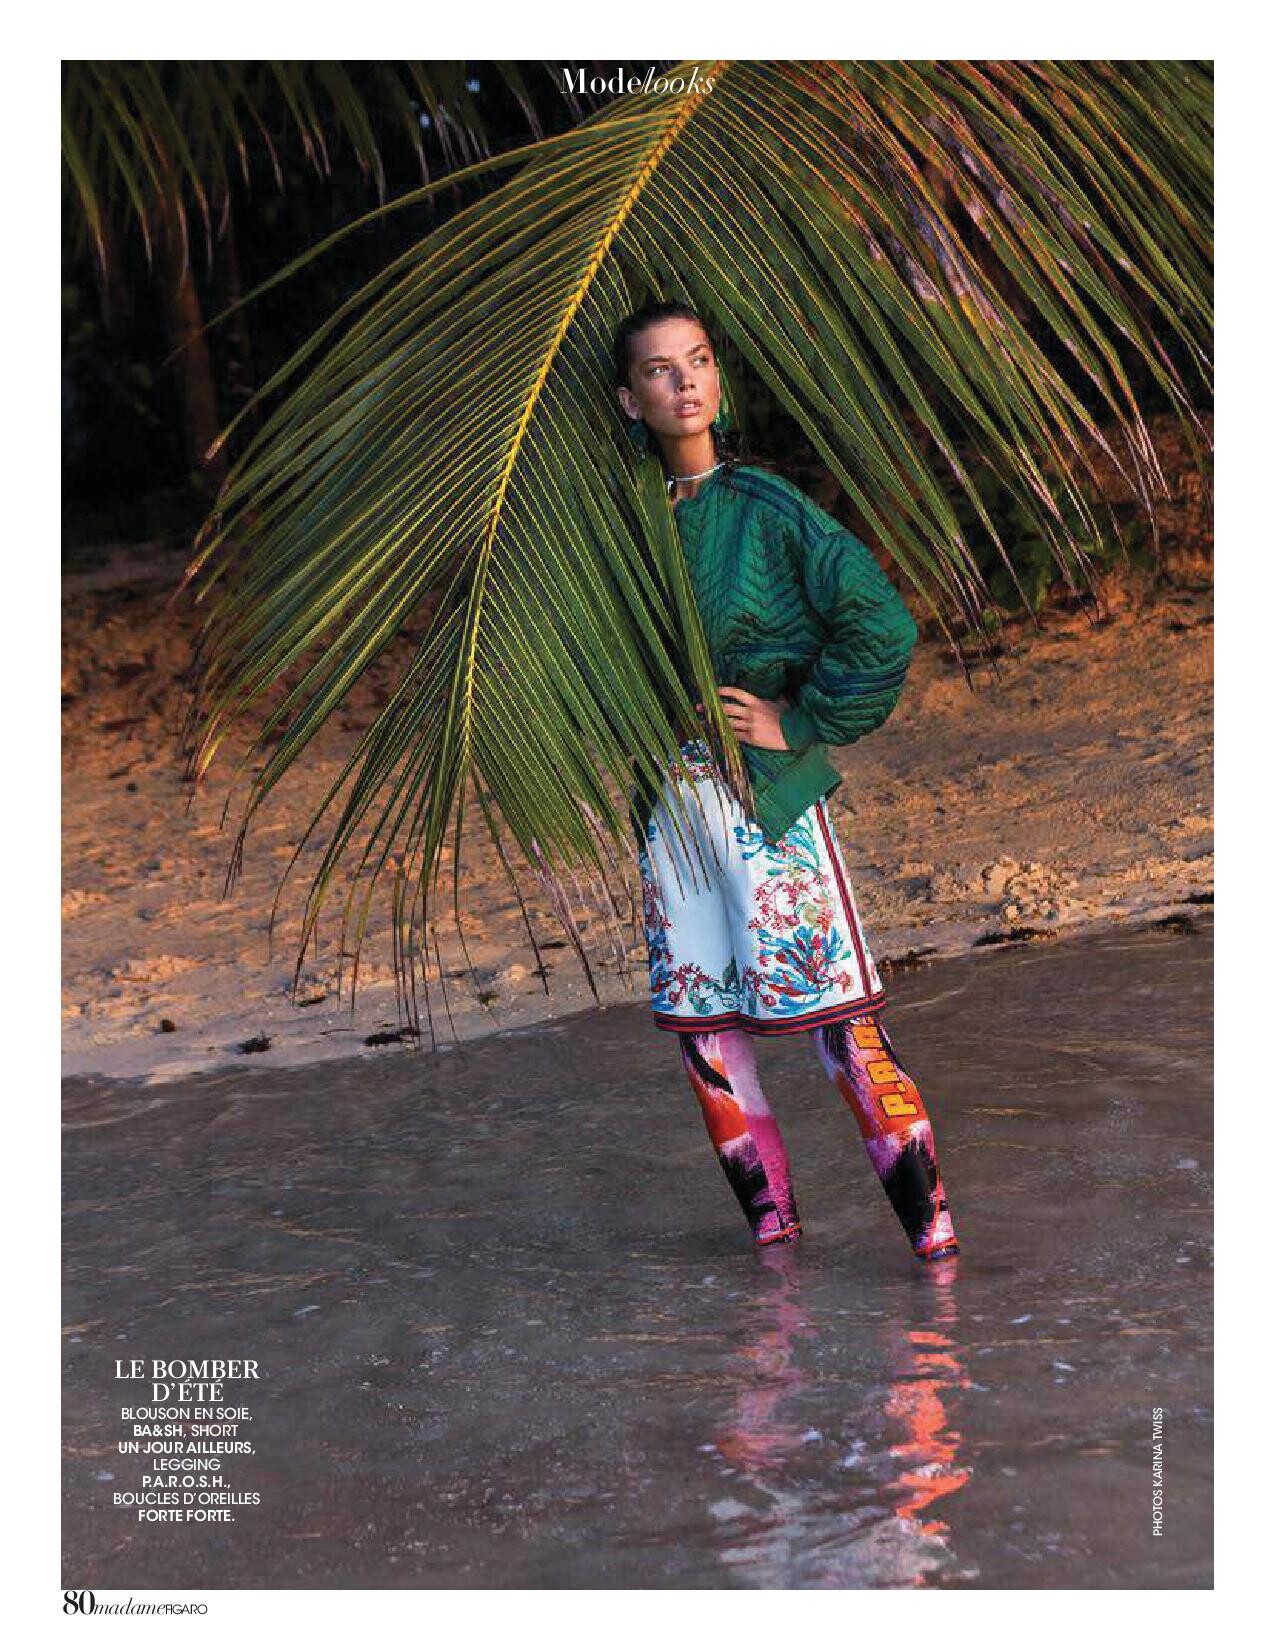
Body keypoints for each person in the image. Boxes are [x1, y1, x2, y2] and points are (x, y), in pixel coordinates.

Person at [613, 299, 959, 1262]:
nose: (683, 381)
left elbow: (881, 625)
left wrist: (796, 721)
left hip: (766, 805)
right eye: (658, 369)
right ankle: (777, 1265)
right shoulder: (614, 528)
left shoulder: (763, 507)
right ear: (629, 399)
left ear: (718, 381)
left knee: (843, 1029)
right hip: (669, 818)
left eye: (697, 360)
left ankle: (934, 1253)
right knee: (708, 1043)